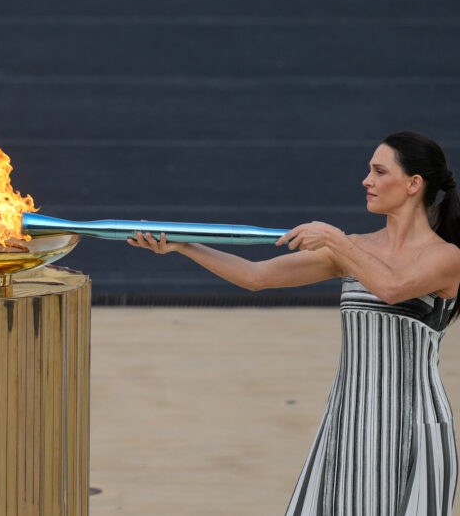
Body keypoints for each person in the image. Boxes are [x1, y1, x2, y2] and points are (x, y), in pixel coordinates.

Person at [128, 131, 460, 515]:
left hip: (415, 425)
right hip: (349, 422)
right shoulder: (352, 249)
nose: (366, 180)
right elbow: (255, 276)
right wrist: (183, 245)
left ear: (413, 184)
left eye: (378, 171)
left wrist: (336, 240)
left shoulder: (446, 257)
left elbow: (391, 287)